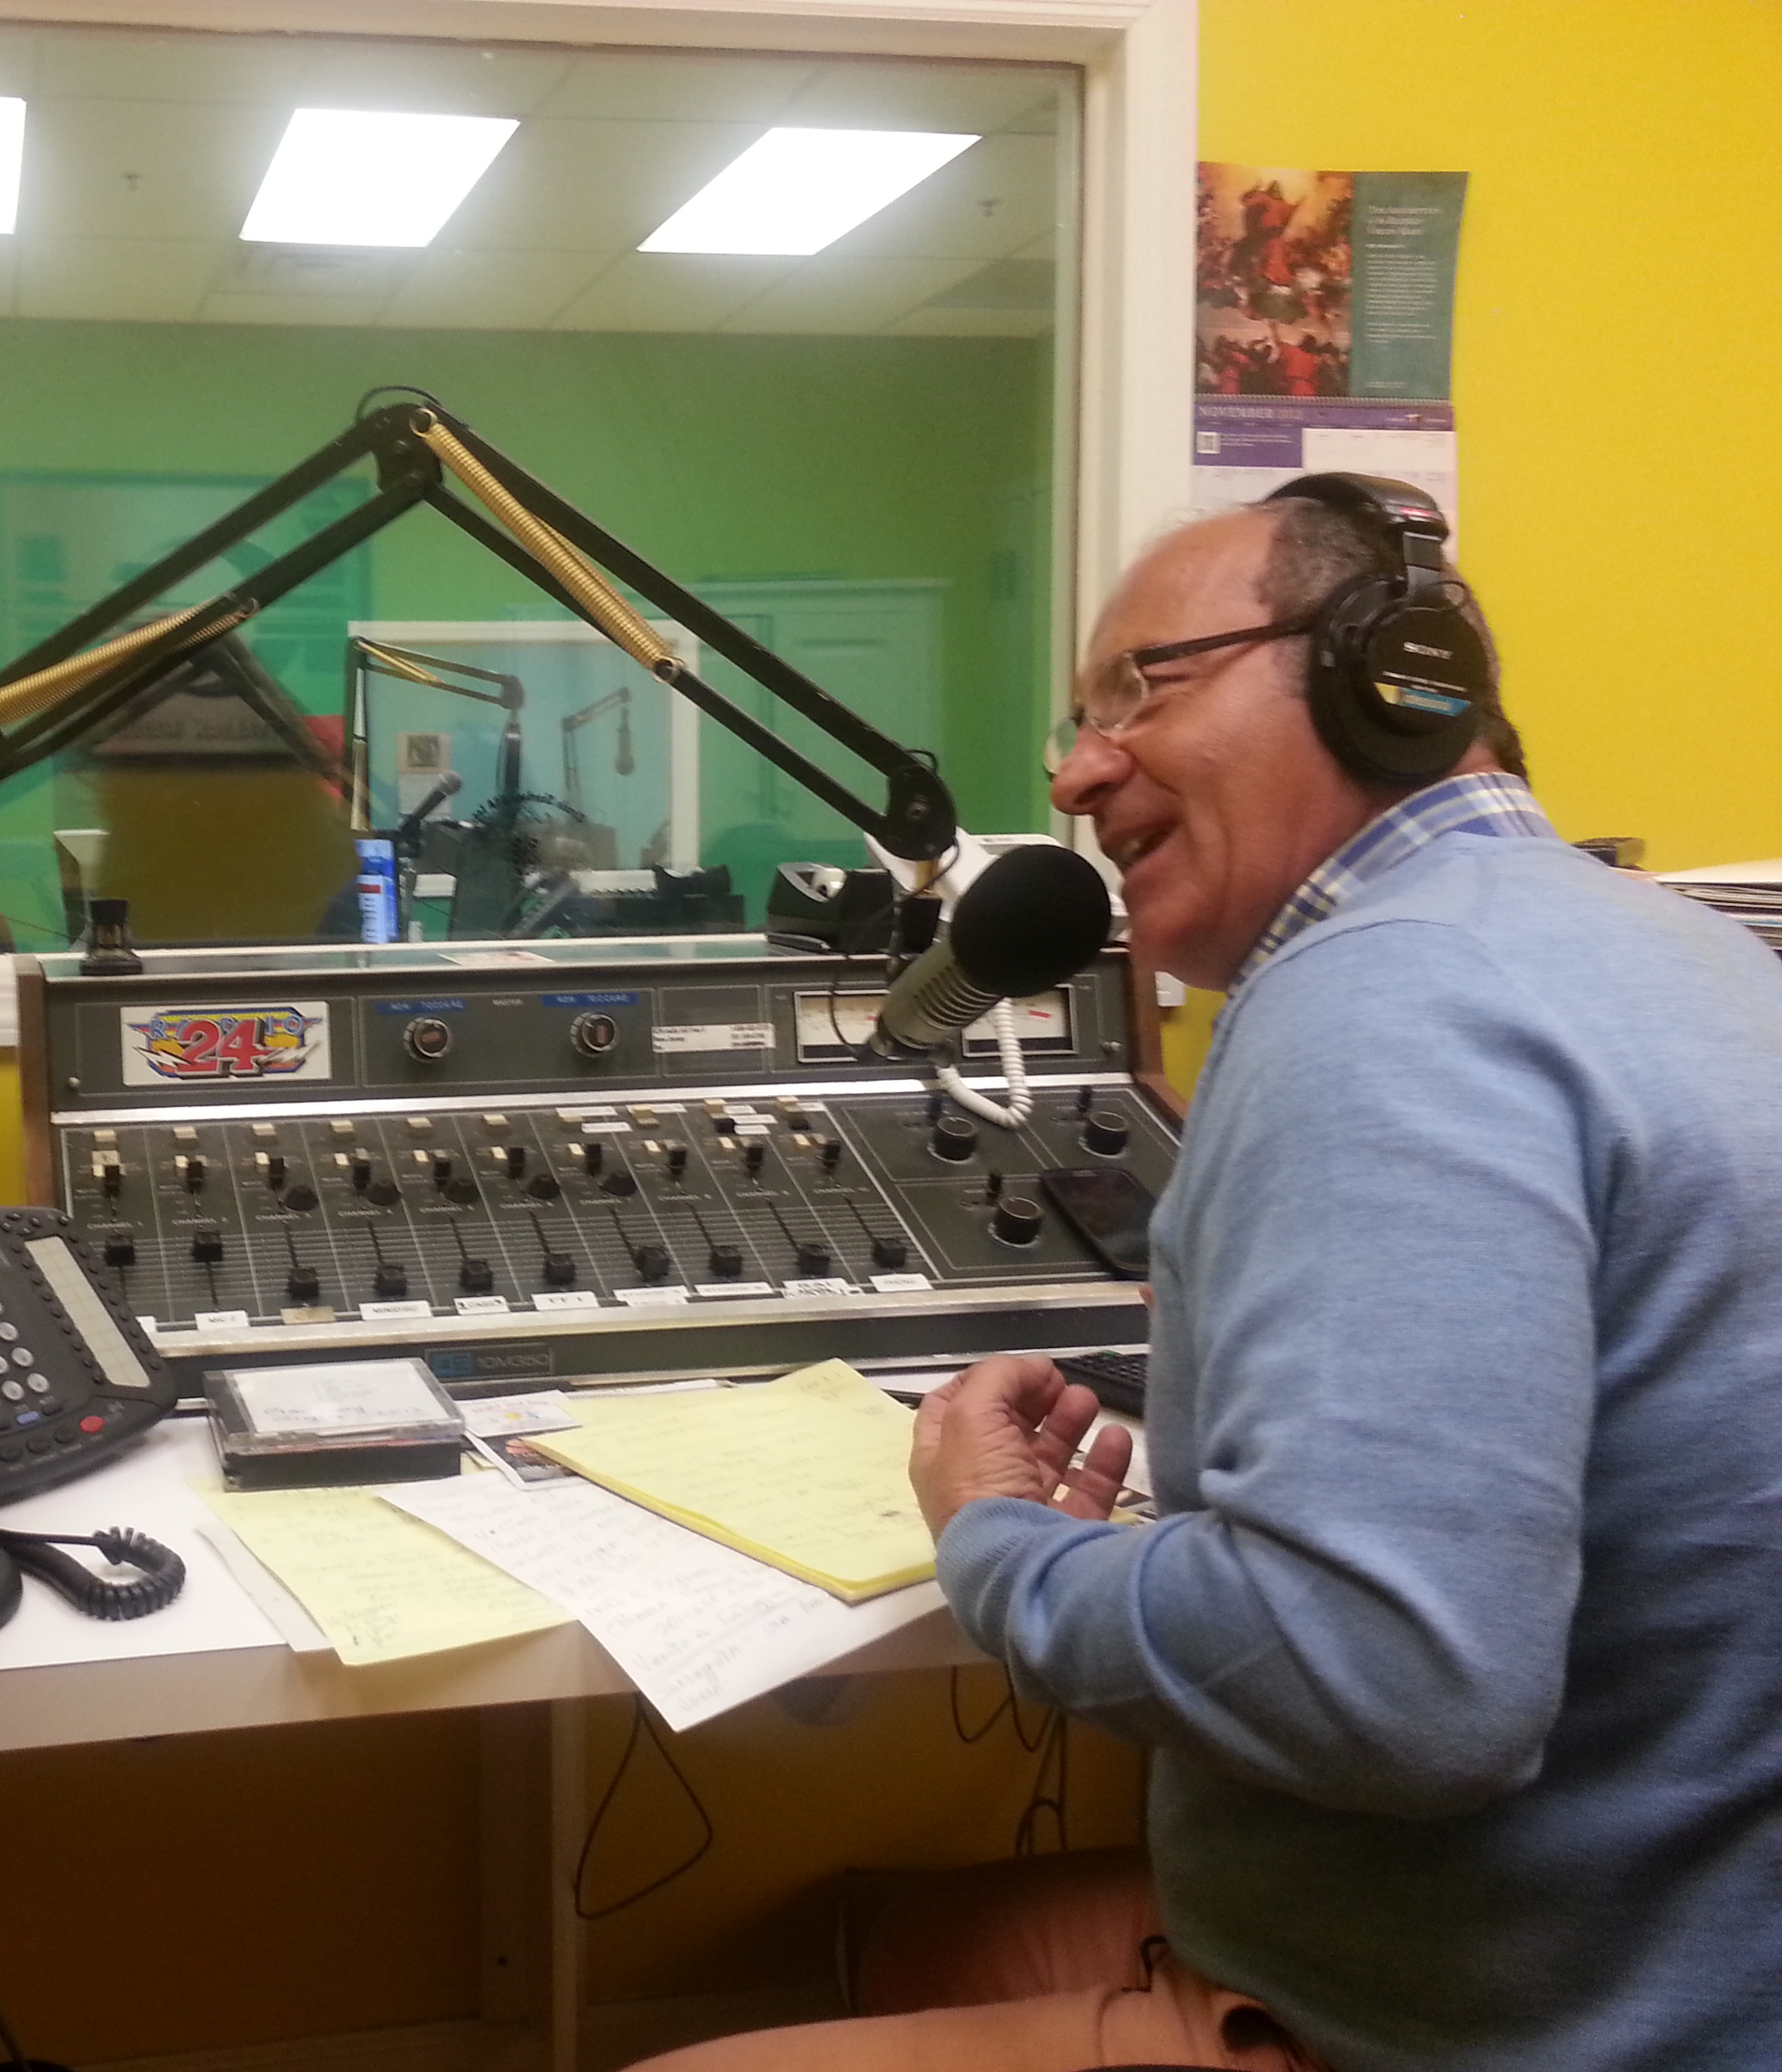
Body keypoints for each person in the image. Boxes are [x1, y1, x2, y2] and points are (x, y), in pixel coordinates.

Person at [634, 481, 1782, 2070]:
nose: (1074, 771)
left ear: (1384, 678)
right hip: (1680, 1946)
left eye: (1140, 691)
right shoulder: (1692, 950)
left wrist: (1002, 1544)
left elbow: (1392, 1685)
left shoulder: (1382, 1005)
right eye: (1078, 720)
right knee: (894, 1935)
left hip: (1495, 2023)